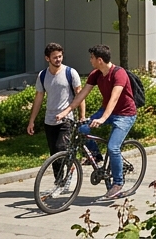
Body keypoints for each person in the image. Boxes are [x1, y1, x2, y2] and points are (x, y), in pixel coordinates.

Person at [55, 45, 138, 201]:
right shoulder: (96, 74)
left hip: (125, 115)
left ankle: (118, 184)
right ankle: (96, 157)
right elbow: (82, 95)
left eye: (91, 57)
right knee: (82, 129)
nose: (90, 60)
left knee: (113, 148)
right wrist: (66, 111)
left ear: (99, 60)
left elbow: (114, 99)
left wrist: (102, 119)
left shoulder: (119, 74)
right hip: (106, 110)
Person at [26, 42, 85, 191]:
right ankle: (59, 182)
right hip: (49, 120)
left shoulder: (70, 73)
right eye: (55, 57)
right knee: (54, 154)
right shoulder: (43, 75)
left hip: (67, 119)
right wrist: (31, 120)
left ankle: (69, 175)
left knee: (61, 148)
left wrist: (82, 116)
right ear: (47, 58)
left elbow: (80, 95)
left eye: (60, 56)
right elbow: (39, 98)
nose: (58, 59)